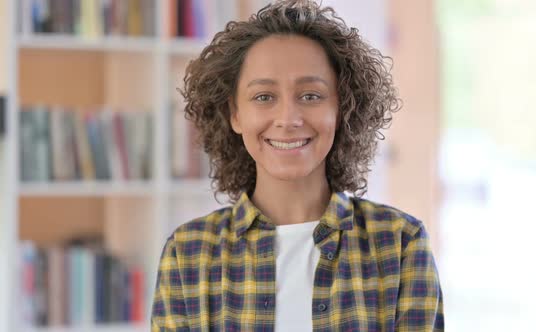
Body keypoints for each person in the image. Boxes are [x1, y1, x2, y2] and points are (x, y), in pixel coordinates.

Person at [151, 0, 444, 331]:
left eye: (310, 96)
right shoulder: (188, 252)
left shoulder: (401, 243)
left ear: (342, 108)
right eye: (264, 97)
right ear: (235, 113)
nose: (288, 119)